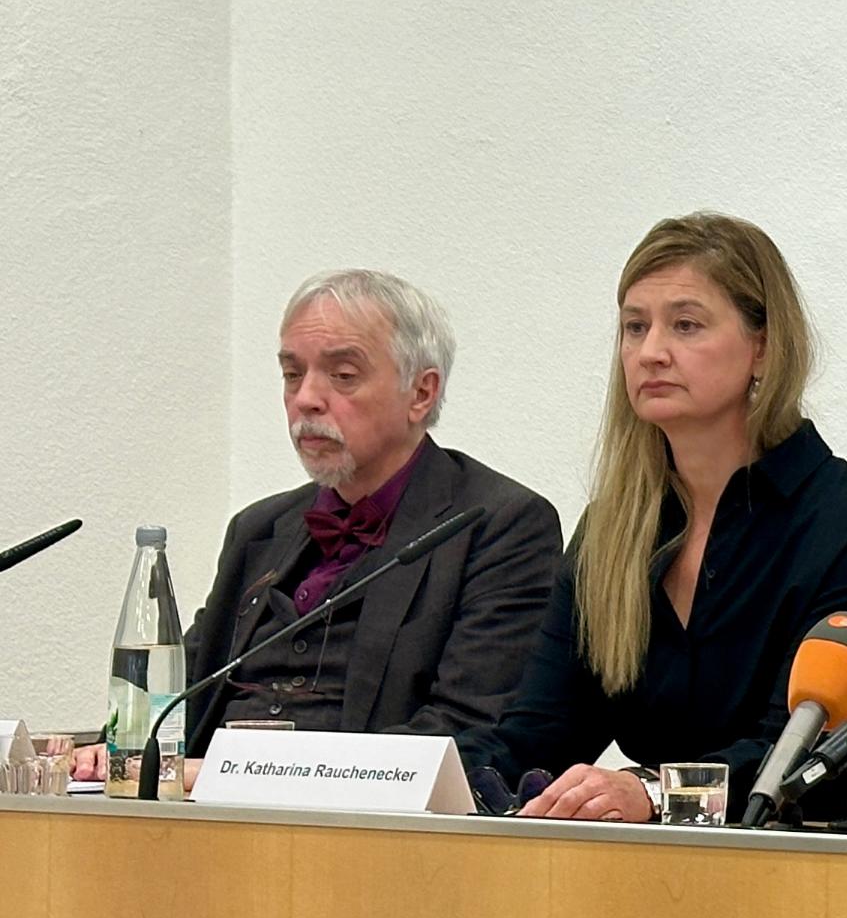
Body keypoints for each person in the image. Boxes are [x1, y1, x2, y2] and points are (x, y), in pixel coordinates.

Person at [459, 212, 847, 822]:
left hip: (795, 865)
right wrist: (394, 776)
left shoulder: (846, 522)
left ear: (763, 347)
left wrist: (651, 794)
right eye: (634, 327)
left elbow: (801, 760)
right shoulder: (612, 529)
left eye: (686, 326)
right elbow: (536, 735)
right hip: (646, 869)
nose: (650, 353)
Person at [72, 269, 563, 783]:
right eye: (291, 374)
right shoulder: (260, 528)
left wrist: (217, 774)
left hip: (366, 835)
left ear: (421, 392)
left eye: (343, 375)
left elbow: (466, 736)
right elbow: (178, 697)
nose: (306, 398)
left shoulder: (498, 524)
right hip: (200, 814)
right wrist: (104, 751)